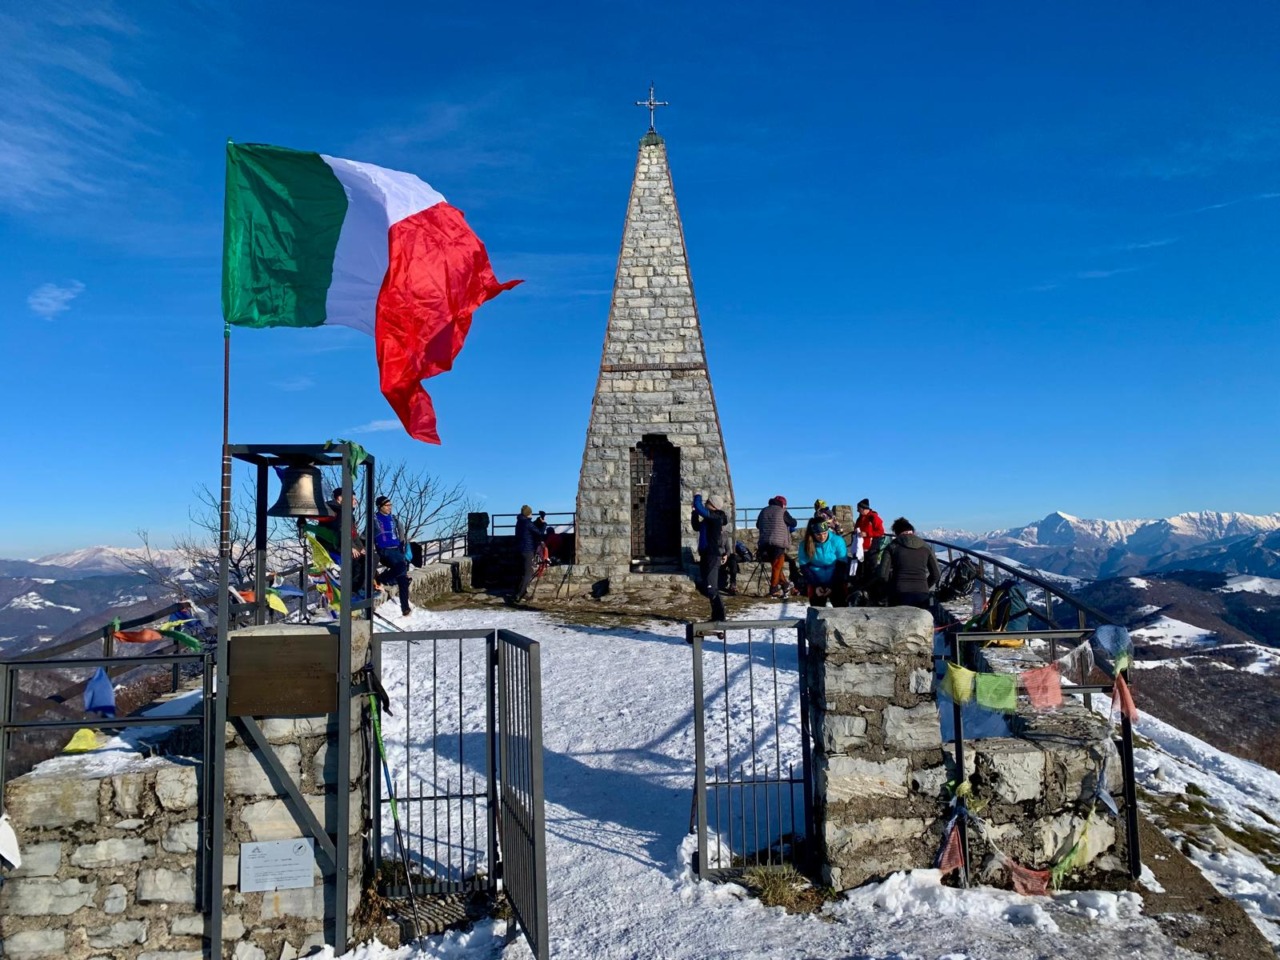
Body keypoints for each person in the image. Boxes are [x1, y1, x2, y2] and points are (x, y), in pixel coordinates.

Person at [885, 517, 940, 610]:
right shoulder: (926, 546)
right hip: (922, 593)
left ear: (896, 532)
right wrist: (925, 586)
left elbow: (882, 574)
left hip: (899, 593)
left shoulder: (892, 546)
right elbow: (936, 574)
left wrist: (889, 589)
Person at [371, 495, 412, 616]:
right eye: (387, 505)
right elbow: (366, 535)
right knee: (402, 569)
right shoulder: (374, 519)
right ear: (380, 506)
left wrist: (402, 545)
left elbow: (401, 531)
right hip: (384, 550)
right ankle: (381, 579)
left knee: (403, 578)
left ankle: (405, 608)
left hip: (397, 549)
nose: (390, 507)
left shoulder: (393, 519)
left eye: (390, 505)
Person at [691, 494, 728, 621]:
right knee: (707, 586)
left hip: (712, 555)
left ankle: (720, 616)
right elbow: (696, 526)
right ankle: (716, 616)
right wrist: (694, 513)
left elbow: (699, 507)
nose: (705, 503)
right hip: (705, 555)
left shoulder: (716, 517)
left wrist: (697, 497)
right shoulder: (708, 519)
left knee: (711, 587)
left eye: (707, 502)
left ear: (712, 505)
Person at [797, 517, 849, 606]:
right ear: (812, 534)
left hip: (836, 579)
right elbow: (804, 566)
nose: (822, 537)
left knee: (841, 609)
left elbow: (842, 565)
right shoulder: (804, 544)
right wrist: (816, 585)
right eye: (818, 534)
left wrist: (832, 585)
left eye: (825, 533)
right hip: (815, 579)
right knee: (817, 610)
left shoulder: (837, 541)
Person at [755, 495, 797, 598]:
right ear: (782, 504)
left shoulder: (763, 511)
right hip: (778, 542)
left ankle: (785, 584)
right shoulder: (782, 511)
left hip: (764, 543)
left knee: (776, 566)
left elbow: (757, 525)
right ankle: (773, 589)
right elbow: (793, 523)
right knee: (777, 566)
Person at [508, 504, 545, 605]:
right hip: (527, 550)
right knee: (528, 573)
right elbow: (539, 533)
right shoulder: (527, 523)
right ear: (528, 513)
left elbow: (530, 528)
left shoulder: (520, 522)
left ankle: (518, 591)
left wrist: (537, 522)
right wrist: (544, 524)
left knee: (521, 572)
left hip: (519, 549)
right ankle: (519, 595)